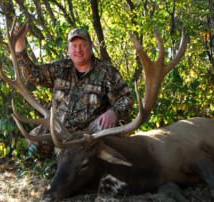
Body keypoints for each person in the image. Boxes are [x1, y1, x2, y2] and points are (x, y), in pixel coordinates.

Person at [14, 24, 133, 157]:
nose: (78, 50)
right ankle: (56, 157)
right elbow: (34, 74)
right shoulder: (61, 68)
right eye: (74, 46)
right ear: (68, 49)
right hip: (60, 128)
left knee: (78, 154)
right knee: (32, 141)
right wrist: (20, 45)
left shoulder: (106, 72)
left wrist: (114, 112)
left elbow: (126, 99)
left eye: (83, 45)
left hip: (87, 133)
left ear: (91, 46)